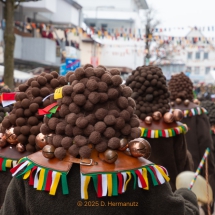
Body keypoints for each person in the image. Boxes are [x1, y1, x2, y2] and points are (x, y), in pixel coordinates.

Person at [1, 64, 199, 215]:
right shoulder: (143, 178)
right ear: (124, 116)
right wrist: (187, 195)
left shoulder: (30, 174)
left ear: (62, 117)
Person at [126, 65, 193, 191]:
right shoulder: (173, 129)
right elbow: (184, 166)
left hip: (131, 198)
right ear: (163, 92)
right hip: (168, 196)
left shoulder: (124, 127)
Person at [168, 72, 215, 214]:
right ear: (190, 89)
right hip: (195, 173)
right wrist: (211, 172)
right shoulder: (198, 112)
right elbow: (206, 145)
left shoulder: (165, 113)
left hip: (170, 173)